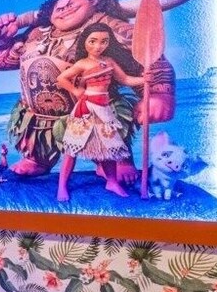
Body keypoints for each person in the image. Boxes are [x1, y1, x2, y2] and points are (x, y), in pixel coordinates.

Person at [0, 0, 175, 181]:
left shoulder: (108, 26)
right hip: (38, 116)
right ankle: (37, 158)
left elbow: (147, 59)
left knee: (105, 132)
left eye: (71, 3)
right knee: (35, 136)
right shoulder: (37, 33)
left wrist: (159, 94)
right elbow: (4, 63)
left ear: (94, 1)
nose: (64, 9)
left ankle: (116, 161)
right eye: (58, 7)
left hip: (92, 107)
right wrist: (2, 41)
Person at [55, 23, 150, 201]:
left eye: (103, 41)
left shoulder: (109, 61)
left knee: (108, 147)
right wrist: (76, 91)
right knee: (71, 148)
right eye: (93, 41)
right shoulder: (82, 63)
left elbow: (125, 79)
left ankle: (111, 182)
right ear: (84, 42)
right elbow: (61, 78)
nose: (98, 46)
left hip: (104, 109)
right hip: (85, 109)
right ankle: (62, 186)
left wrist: (144, 79)